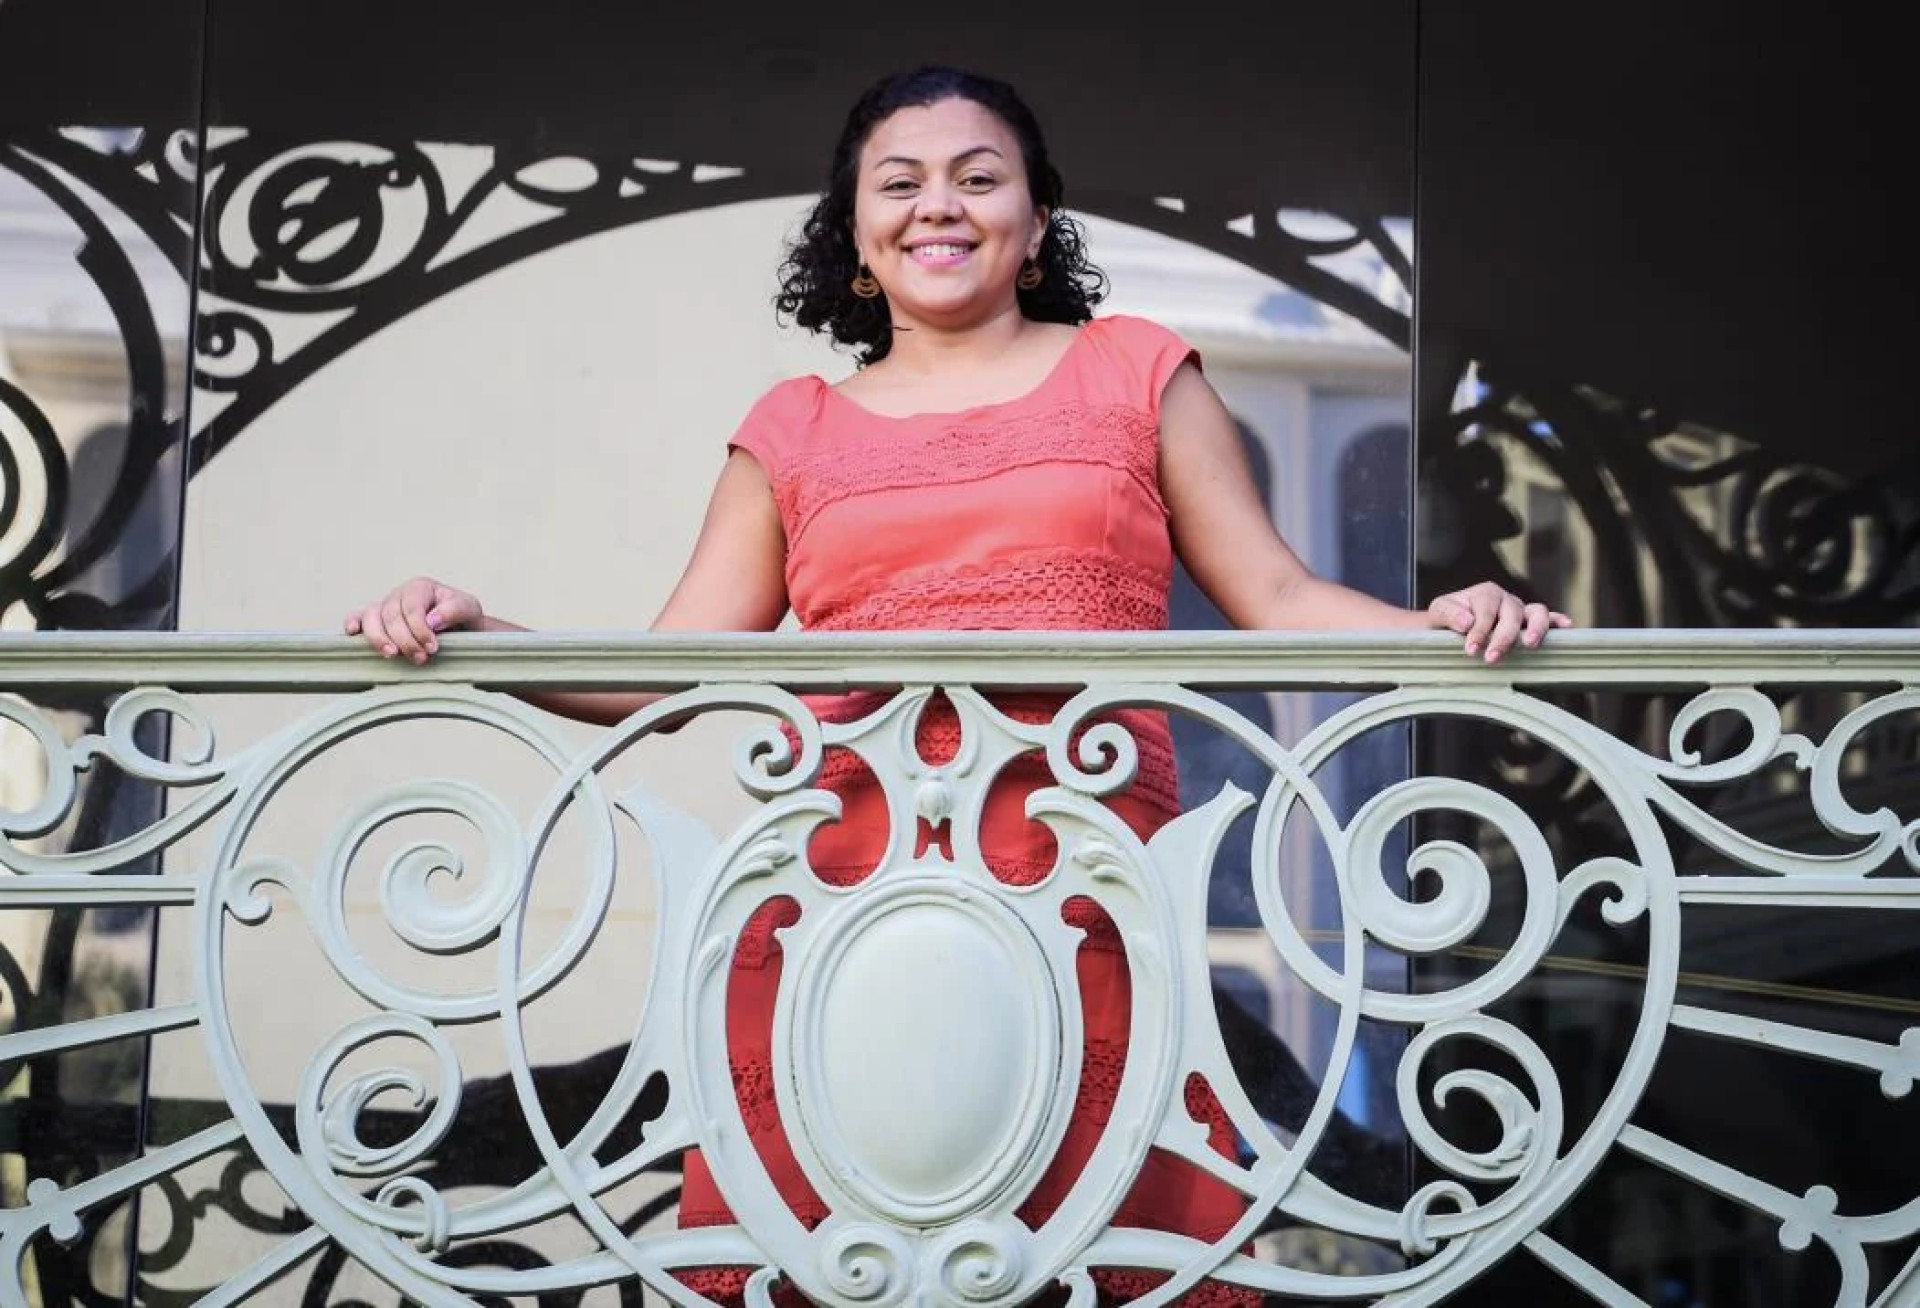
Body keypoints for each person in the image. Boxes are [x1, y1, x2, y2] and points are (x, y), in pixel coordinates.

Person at [346, 64, 1568, 1307]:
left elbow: (1282, 597)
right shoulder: (792, 429)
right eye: (901, 183)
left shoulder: (1140, 372)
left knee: (1101, 1252)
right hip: (838, 911)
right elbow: (659, 675)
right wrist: (481, 631)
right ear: (857, 234)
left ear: (1035, 225)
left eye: (979, 179)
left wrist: (1439, 624)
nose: (940, 204)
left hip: (1089, 895)